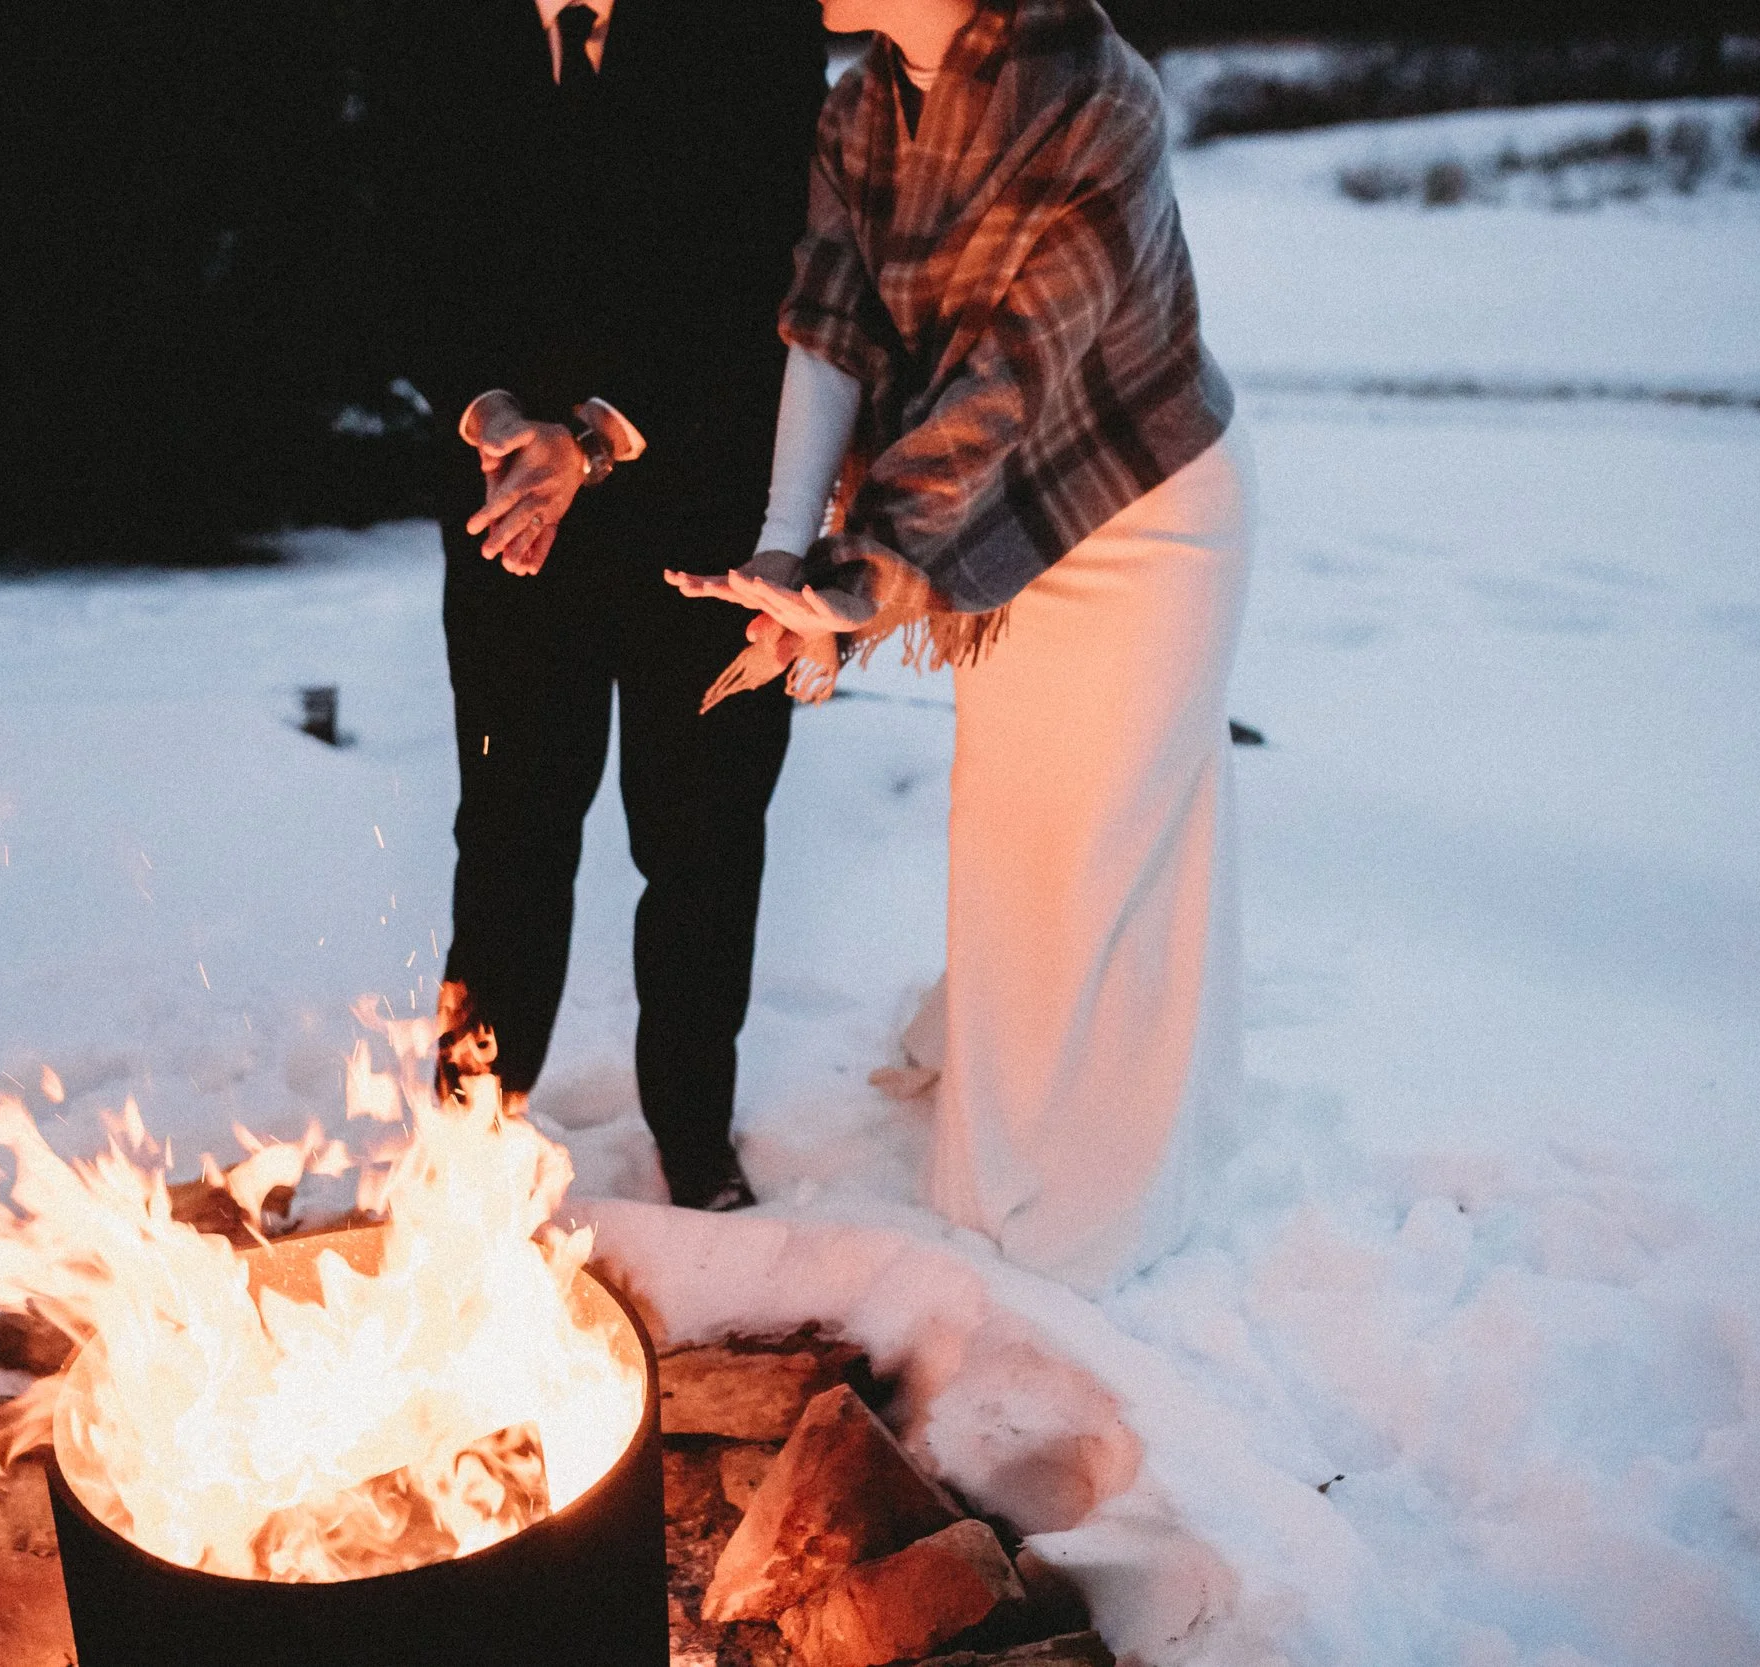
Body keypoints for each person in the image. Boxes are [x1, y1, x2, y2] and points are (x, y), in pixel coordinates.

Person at [671, 0, 1251, 1291]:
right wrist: (784, 549)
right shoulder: (863, 108)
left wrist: (867, 573)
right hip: (995, 536)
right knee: (1011, 844)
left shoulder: (1102, 104)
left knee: (1102, 852)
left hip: (1146, 515)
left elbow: (1003, 378)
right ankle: (1033, 1138)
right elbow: (829, 326)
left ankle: (1069, 1225)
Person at [372, 0, 831, 1208]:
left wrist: (589, 433)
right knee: (510, 825)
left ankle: (692, 1133)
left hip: (707, 510)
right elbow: (397, 240)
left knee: (703, 838)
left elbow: (764, 267)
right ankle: (471, 1130)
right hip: (503, 514)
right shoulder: (426, 28)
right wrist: (489, 413)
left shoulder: (752, 24)